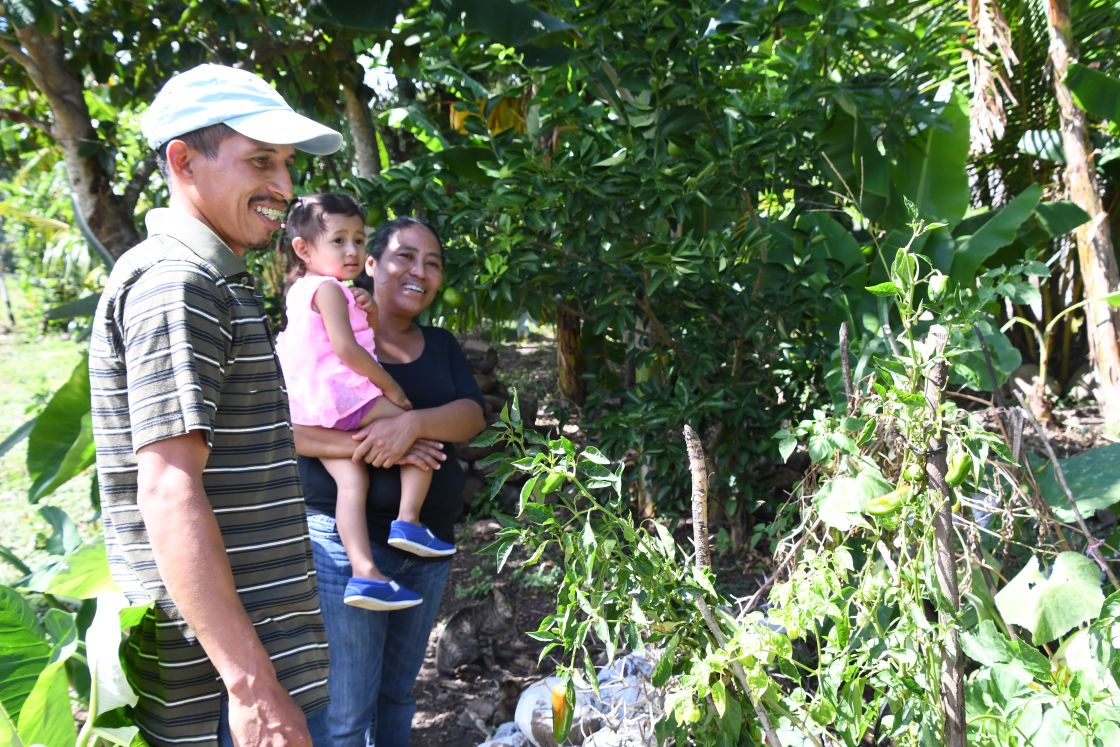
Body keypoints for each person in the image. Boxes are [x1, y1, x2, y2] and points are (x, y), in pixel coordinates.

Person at [89, 63, 342, 746]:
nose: (284, 188)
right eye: (260, 161)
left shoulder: (209, 277)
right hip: (226, 699)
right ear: (183, 161)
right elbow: (169, 491)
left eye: (287, 165)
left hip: (248, 676)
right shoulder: (179, 284)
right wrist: (253, 689)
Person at [293, 217, 486, 746]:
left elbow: (471, 415)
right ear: (370, 264)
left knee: (397, 694)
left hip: (427, 546)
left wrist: (411, 425)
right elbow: (289, 431)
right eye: (405, 256)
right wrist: (378, 445)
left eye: (433, 263)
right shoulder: (327, 334)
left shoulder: (442, 344)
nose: (419, 271)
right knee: (348, 708)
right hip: (345, 546)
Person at [275, 194, 455, 613]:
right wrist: (390, 390)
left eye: (358, 239)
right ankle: (408, 521)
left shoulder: (303, 293)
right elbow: (349, 350)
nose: (353, 251)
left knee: (352, 483)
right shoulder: (330, 291)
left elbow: (350, 337)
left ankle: (364, 573)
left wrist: (369, 313)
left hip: (314, 408)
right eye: (339, 241)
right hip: (345, 396)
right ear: (304, 249)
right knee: (414, 433)